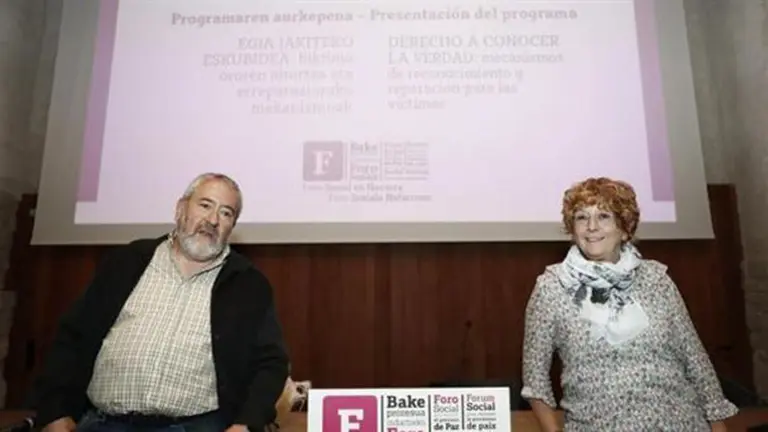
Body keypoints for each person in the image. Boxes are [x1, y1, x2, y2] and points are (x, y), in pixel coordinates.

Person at [30, 173, 290, 432]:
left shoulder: (248, 284)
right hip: (103, 423)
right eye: (205, 205)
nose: (212, 220)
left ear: (232, 226)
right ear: (180, 209)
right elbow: (73, 336)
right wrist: (55, 410)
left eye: (226, 213)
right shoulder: (127, 262)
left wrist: (245, 424)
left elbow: (271, 362)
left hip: (195, 426)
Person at [521, 177, 738, 431]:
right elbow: (535, 380)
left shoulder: (656, 279)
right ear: (572, 228)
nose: (591, 226)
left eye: (604, 216)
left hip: (682, 423)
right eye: (581, 217)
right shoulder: (552, 287)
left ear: (625, 229)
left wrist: (718, 426)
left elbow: (694, 358)